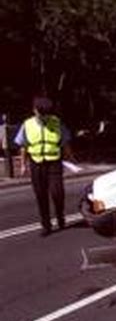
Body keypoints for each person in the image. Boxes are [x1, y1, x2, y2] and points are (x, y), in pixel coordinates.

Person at [14, 96, 74, 236]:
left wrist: (70, 157)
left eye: (46, 113)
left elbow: (65, 142)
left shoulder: (56, 122)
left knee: (57, 192)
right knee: (41, 195)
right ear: (34, 111)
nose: (44, 117)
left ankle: (60, 216)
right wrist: (23, 165)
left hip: (54, 162)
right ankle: (46, 225)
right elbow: (23, 146)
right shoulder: (27, 124)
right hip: (36, 163)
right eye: (41, 114)